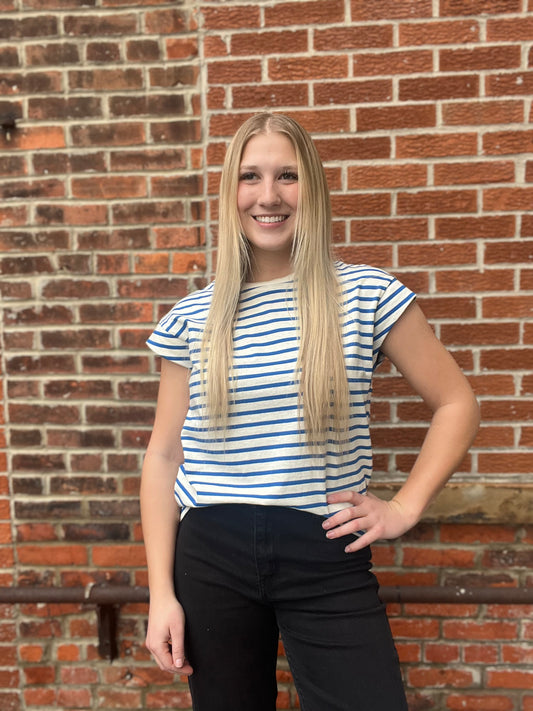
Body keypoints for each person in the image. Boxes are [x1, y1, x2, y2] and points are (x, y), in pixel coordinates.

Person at [140, 112, 480, 711]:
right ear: (231, 191)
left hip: (324, 547)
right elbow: (164, 455)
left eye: (287, 176)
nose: (268, 196)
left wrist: (403, 507)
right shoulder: (193, 317)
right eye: (250, 176)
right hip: (210, 555)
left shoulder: (368, 295)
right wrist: (161, 594)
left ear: (313, 189)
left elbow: (457, 404)